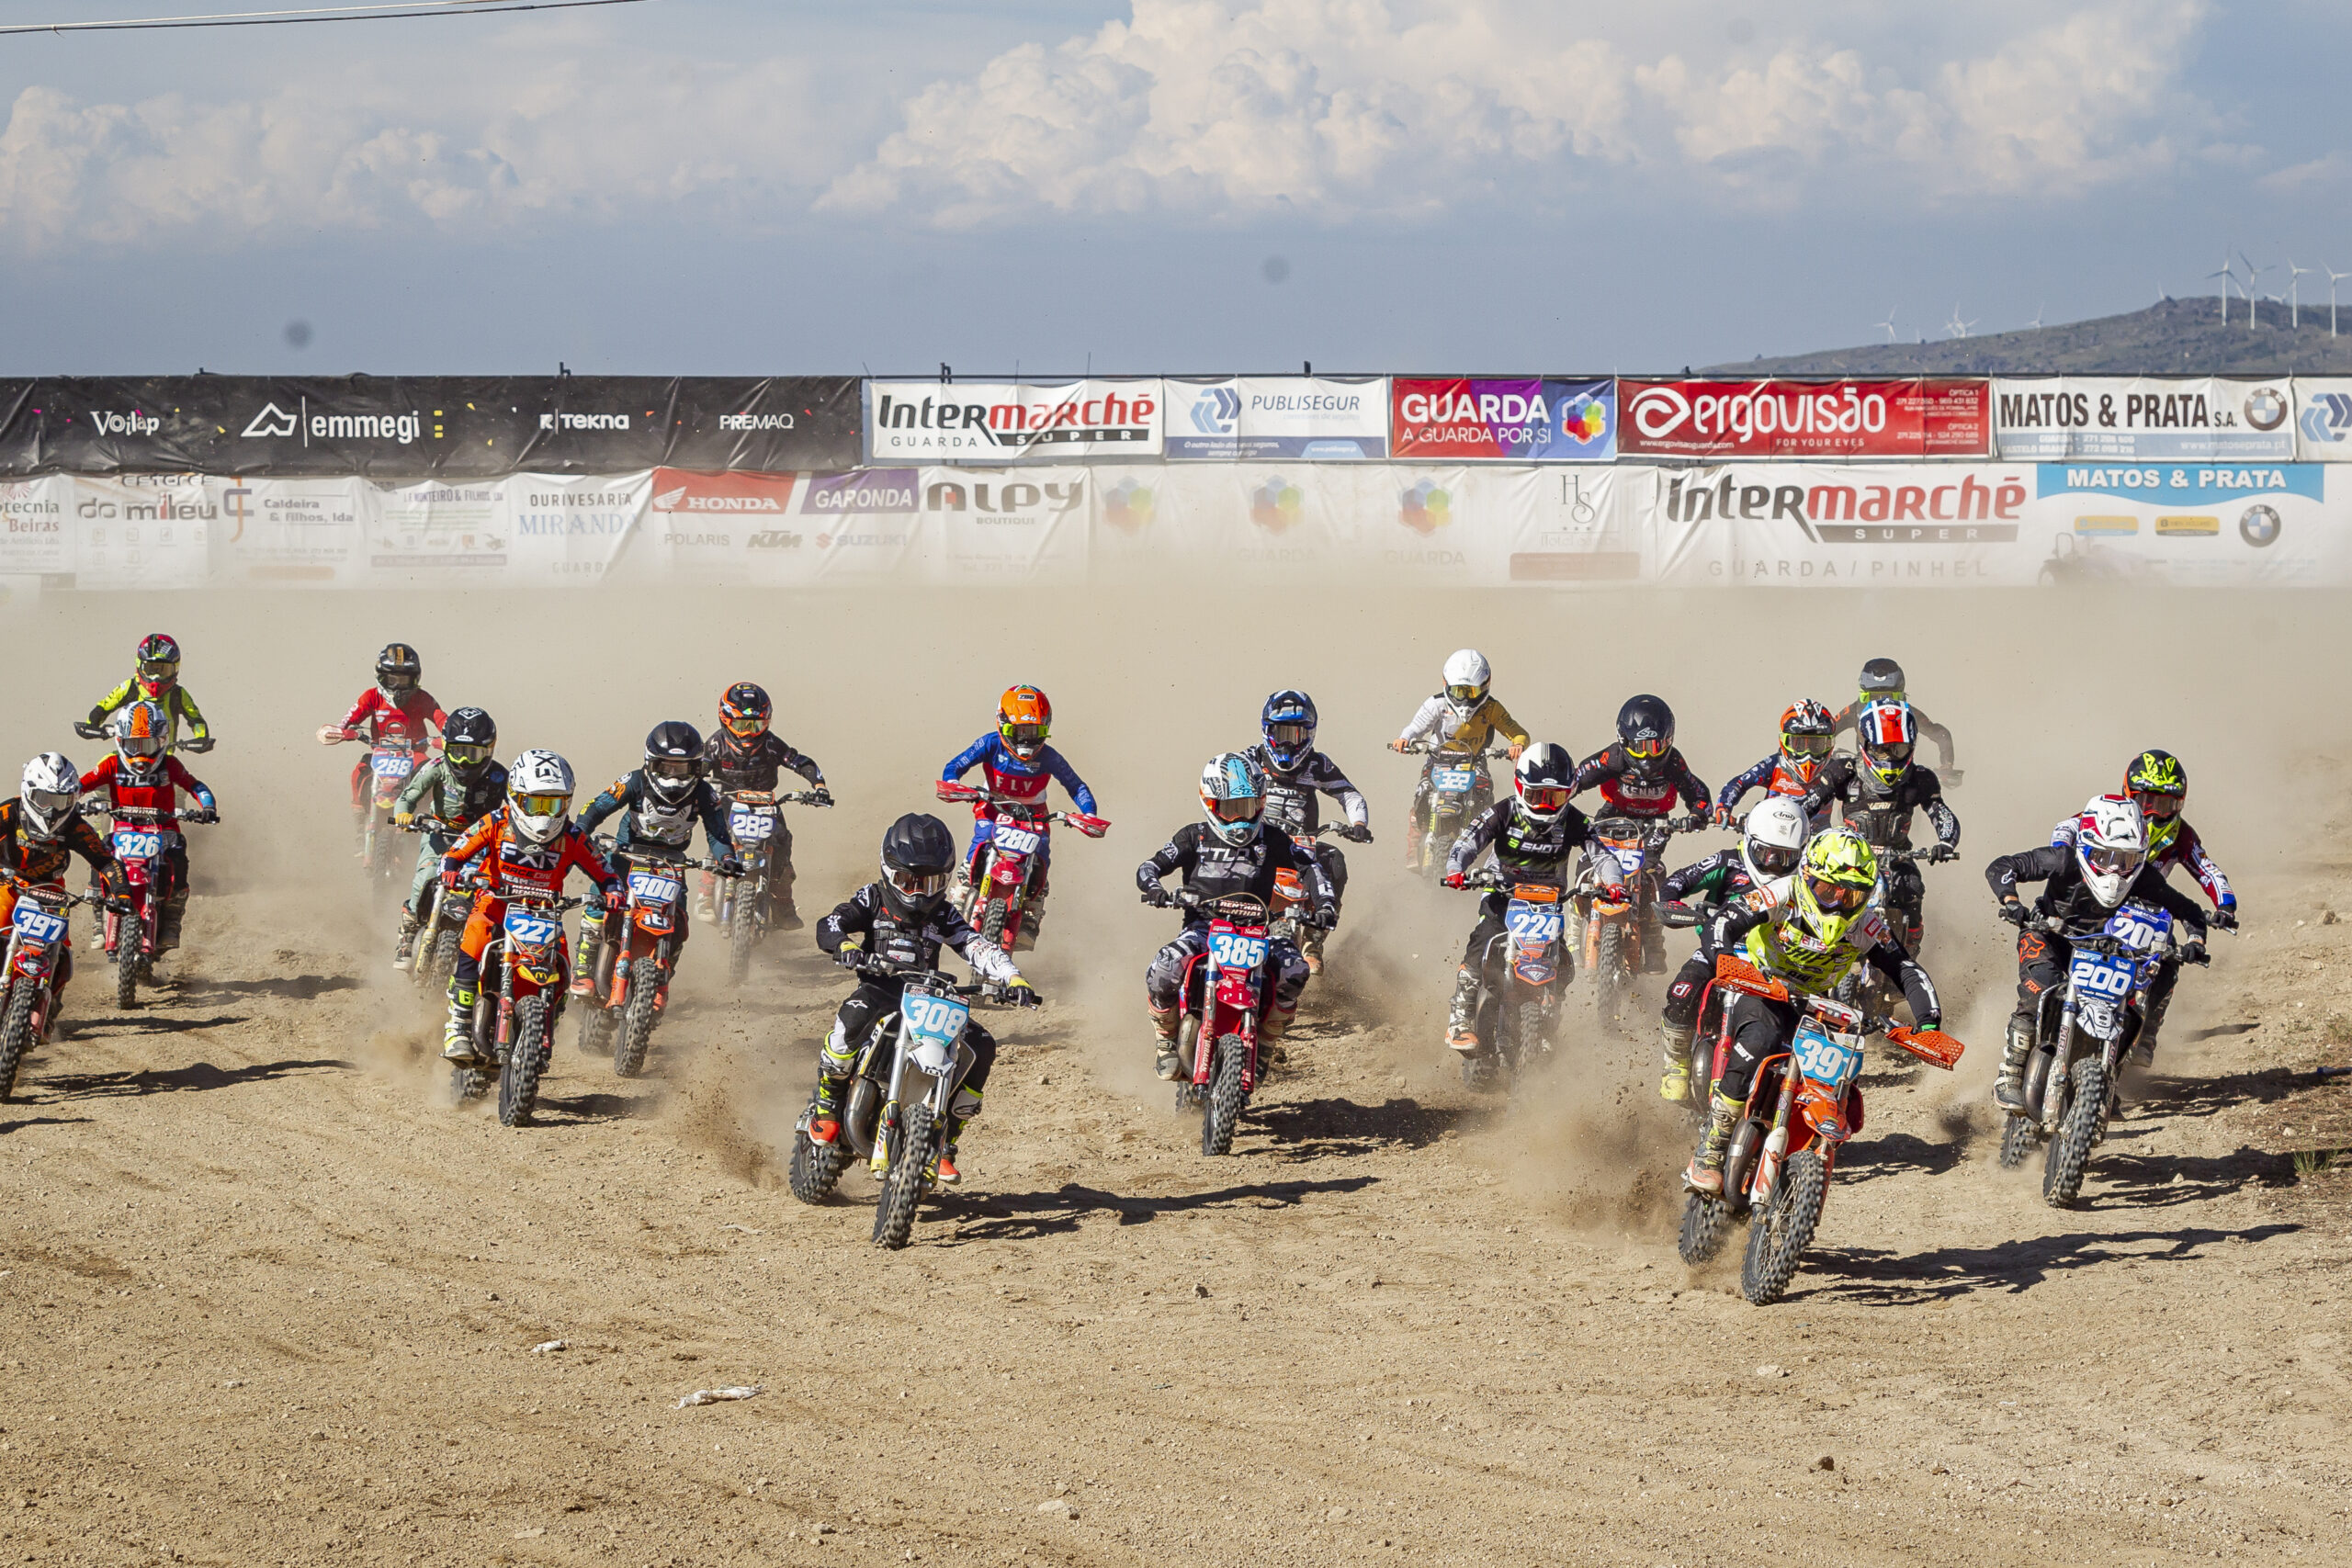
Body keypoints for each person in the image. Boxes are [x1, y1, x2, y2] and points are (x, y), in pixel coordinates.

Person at [1684, 829, 1942, 1194]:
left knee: (1838, 1072)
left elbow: (1905, 968)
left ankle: (1803, 1150)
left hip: (1816, 1002)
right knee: (1761, 1039)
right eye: (1828, 891)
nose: (1838, 904)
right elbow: (1724, 920)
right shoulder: (1782, 894)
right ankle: (1711, 1148)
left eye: (1851, 895)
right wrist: (1727, 960)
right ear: (1807, 877)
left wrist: (1928, 1021)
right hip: (1761, 984)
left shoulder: (1865, 923)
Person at [808, 813, 1039, 1187]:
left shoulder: (945, 914)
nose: (917, 892)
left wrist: (1012, 977)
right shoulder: (873, 897)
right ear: (889, 872)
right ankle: (828, 1106)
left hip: (929, 998)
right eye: (907, 880)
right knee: (849, 1022)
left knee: (981, 1045)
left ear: (944, 880)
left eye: (928, 882)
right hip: (880, 991)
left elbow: (977, 946)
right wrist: (847, 946)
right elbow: (831, 923)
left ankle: (945, 1143)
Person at [1987, 795, 2210, 1110]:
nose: (2117, 869)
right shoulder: (2063, 860)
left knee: (2132, 1002)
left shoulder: (2143, 877)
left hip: (2104, 949)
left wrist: (2195, 942)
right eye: (2106, 857)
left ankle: (2107, 1078)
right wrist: (2011, 901)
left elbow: (2187, 909)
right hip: (2050, 936)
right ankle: (2009, 1074)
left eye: (2128, 860)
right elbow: (2003, 866)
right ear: (2088, 846)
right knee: (2040, 990)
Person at [1136, 751, 1334, 1081]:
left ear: (1260, 802)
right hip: (1203, 929)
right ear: (1209, 803)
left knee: (1296, 971)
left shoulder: (1273, 838)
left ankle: (1267, 1043)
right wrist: (1156, 889)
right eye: (1229, 809)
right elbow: (1150, 866)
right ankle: (1165, 1041)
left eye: (1246, 808)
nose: (1239, 820)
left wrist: (1325, 903)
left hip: (1258, 931)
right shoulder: (1193, 836)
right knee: (1163, 967)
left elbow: (1311, 868)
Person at [2044, 750, 2235, 1066]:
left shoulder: (2182, 835)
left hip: (2149, 912)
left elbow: (2207, 870)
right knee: (2066, 947)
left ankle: (2146, 1032)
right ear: (2128, 794)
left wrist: (2225, 905)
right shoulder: (2110, 814)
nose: (2154, 814)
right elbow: (2067, 826)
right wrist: (2061, 854)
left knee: (2170, 957)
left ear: (2179, 804)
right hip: (2099, 901)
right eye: (2147, 801)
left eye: (2165, 805)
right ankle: (2049, 1014)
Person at [1440, 743, 1623, 1068]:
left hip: (1549, 901)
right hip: (1502, 892)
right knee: (1481, 942)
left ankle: (1550, 1017)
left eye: (1555, 798)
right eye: (1538, 795)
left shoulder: (1575, 821)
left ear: (1568, 794)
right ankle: (1461, 1018)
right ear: (1521, 787)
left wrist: (1614, 883)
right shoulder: (1504, 811)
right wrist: (1456, 868)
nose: (1546, 805)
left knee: (1563, 960)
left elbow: (1602, 853)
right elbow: (1469, 840)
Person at [435, 750, 617, 1064]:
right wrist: (450, 870)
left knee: (562, 969)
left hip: (544, 912)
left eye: (554, 803)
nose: (544, 814)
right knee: (474, 939)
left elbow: (605, 871)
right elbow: (456, 850)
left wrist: (613, 891)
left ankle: (545, 1030)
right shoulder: (496, 822)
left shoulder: (572, 836)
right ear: (516, 797)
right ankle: (459, 1026)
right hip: (495, 904)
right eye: (535, 803)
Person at [1655, 795, 1809, 1103]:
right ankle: (1676, 1064)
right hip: (1719, 949)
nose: (1774, 864)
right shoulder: (1727, 861)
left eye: (1785, 856)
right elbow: (1678, 881)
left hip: (1773, 960)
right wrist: (1673, 903)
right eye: (1766, 853)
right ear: (1750, 841)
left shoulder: (1805, 880)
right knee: (1681, 991)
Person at [572, 722, 737, 997]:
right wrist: (580, 833)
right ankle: (582, 970)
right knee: (598, 902)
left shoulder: (706, 794)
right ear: (651, 762)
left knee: (680, 922)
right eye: (666, 766)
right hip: (627, 853)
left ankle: (662, 977)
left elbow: (718, 835)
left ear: (696, 767)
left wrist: (728, 858)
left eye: (681, 768)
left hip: (671, 864)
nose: (673, 776)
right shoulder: (634, 780)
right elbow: (597, 807)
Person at [1799, 699, 1959, 957]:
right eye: (1882, 750)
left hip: (1898, 857)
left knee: (1913, 890)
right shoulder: (1844, 770)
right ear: (1865, 744)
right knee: (1816, 893)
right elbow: (1808, 803)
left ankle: (1908, 956)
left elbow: (1941, 813)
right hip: (1847, 857)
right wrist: (1789, 828)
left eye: (1898, 749)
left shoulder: (1921, 778)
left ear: (1912, 746)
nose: (1890, 757)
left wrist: (1946, 843)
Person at [938, 685, 1099, 942]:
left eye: (1035, 732)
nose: (1026, 740)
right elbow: (956, 764)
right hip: (993, 806)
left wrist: (1088, 814)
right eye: (1020, 732)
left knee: (1042, 853)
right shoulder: (990, 743)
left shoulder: (1049, 756)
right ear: (1003, 723)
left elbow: (1076, 785)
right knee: (982, 837)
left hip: (1034, 815)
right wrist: (954, 783)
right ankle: (962, 890)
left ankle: (1033, 909)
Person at [1568, 694, 1712, 972]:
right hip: (1613, 818)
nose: (1648, 755)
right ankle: (1575, 931)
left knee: (1653, 874)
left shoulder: (1673, 763)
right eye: (1641, 747)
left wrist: (1697, 815)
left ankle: (1654, 940)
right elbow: (1576, 778)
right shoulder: (1614, 757)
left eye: (1655, 746)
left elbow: (1699, 793)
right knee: (1587, 865)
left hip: (1656, 825)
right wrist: (1558, 802)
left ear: (1668, 741)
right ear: (1624, 741)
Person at [1242, 690, 1371, 974]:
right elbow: (1219, 786)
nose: (1287, 742)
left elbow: (1349, 795)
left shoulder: (1317, 764)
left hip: (1301, 844)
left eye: (1295, 734)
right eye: (1281, 732)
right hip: (1254, 839)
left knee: (1335, 863)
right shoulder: (1248, 759)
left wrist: (1359, 825)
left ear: (1309, 733)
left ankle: (1313, 941)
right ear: (1267, 729)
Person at [76, 702, 219, 953]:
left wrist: (207, 808)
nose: (140, 755)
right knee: (98, 856)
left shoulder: (171, 765)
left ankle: (172, 921)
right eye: (133, 745)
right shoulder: (110, 764)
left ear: (162, 741)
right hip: (122, 829)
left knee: (179, 863)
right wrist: (70, 802)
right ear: (120, 740)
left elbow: (196, 786)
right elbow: (80, 785)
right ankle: (98, 921)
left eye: (149, 745)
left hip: (164, 832)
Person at [0, 753, 125, 1033]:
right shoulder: (9, 812)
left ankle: (51, 1001)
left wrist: (121, 893)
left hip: (50, 891)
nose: (51, 810)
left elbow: (106, 860)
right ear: (28, 791)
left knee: (61, 949)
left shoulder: (74, 826)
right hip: (8, 882)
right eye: (44, 799)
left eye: (61, 802)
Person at [695, 681, 831, 929]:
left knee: (782, 842)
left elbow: (799, 761)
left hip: (766, 802)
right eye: (741, 725)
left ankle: (784, 904)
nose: (748, 733)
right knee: (718, 836)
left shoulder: (770, 743)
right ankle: (705, 894)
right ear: (725, 719)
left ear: (766, 722)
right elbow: (698, 768)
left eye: (756, 725)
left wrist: (819, 787)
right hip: (728, 799)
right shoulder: (716, 744)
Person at [388, 706, 507, 970]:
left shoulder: (500, 777)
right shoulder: (437, 767)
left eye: (471, 754)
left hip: (482, 844)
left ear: (488, 750)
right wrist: (404, 815)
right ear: (446, 748)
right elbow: (408, 796)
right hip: (440, 835)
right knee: (425, 876)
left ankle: (492, 947)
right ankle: (406, 936)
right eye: (457, 753)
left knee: (492, 891)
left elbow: (516, 813)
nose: (463, 762)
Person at [1388, 649, 1528, 867]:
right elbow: (1415, 727)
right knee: (1422, 795)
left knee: (1485, 802)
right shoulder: (1436, 704)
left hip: (1474, 764)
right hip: (1438, 761)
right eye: (1458, 691)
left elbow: (1518, 732)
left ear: (1485, 686)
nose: (1464, 699)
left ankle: (1484, 851)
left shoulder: (1491, 708)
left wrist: (1517, 745)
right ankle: (1413, 848)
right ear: (1445, 684)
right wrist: (1404, 739)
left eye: (1471, 692)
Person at [316, 643, 447, 835]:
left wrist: (451, 737)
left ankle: (433, 822)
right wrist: (341, 732)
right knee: (359, 772)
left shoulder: (423, 698)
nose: (398, 686)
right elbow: (348, 719)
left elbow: (443, 720)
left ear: (415, 679)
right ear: (381, 677)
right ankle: (360, 818)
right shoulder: (371, 697)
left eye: (403, 680)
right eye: (392, 679)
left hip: (416, 754)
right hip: (380, 752)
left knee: (432, 776)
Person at [76, 633, 213, 755]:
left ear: (175, 669)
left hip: (165, 759)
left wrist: (202, 738)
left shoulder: (178, 693)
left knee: (189, 782)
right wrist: (92, 725)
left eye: (163, 671)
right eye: (150, 670)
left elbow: (196, 719)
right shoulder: (129, 687)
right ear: (139, 665)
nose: (156, 678)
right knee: (101, 769)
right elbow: (104, 706)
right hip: (127, 754)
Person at [1714, 699, 1835, 829]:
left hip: (1817, 844)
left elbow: (1854, 802)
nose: (1808, 754)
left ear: (1830, 744)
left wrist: (1855, 821)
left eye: (1816, 745)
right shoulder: (1774, 764)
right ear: (1784, 741)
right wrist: (1724, 808)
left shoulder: (1836, 770)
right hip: (1768, 839)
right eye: (1799, 744)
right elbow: (1740, 783)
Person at [1830, 657, 1956, 774]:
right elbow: (1827, 729)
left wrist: (1947, 765)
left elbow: (1940, 734)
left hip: (1902, 774)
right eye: (1874, 697)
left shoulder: (1909, 712)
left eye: (1888, 696)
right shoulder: (1854, 710)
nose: (1882, 702)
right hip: (1863, 772)